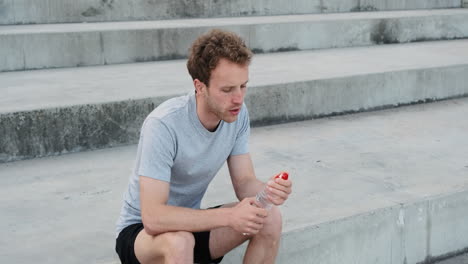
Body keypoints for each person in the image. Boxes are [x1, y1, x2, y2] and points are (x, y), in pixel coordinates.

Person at [115, 29, 293, 264]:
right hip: (143, 237)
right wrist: (229, 216)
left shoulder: (237, 114)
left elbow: (244, 183)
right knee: (179, 242)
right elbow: (153, 218)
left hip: (191, 225)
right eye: (227, 90)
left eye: (243, 86)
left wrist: (269, 192)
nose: (239, 98)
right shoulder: (163, 125)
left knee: (269, 217)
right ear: (199, 87)